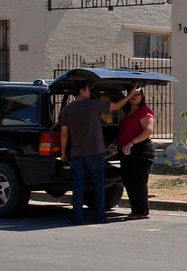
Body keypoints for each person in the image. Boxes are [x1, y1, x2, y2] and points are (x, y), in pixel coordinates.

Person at [59, 83, 135, 224]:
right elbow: (116, 106)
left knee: (78, 186)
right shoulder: (93, 105)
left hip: (76, 152)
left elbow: (64, 133)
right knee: (98, 185)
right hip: (95, 151)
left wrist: (63, 152)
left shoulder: (67, 109)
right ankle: (100, 215)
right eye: (88, 89)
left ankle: (76, 217)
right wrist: (130, 95)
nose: (89, 92)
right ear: (82, 91)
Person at [115, 87, 154, 219]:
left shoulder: (144, 111)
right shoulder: (128, 112)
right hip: (126, 152)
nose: (134, 97)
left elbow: (147, 131)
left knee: (138, 181)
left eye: (137, 94)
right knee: (128, 180)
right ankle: (135, 210)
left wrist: (132, 142)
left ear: (142, 97)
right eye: (132, 94)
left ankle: (142, 211)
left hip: (141, 150)